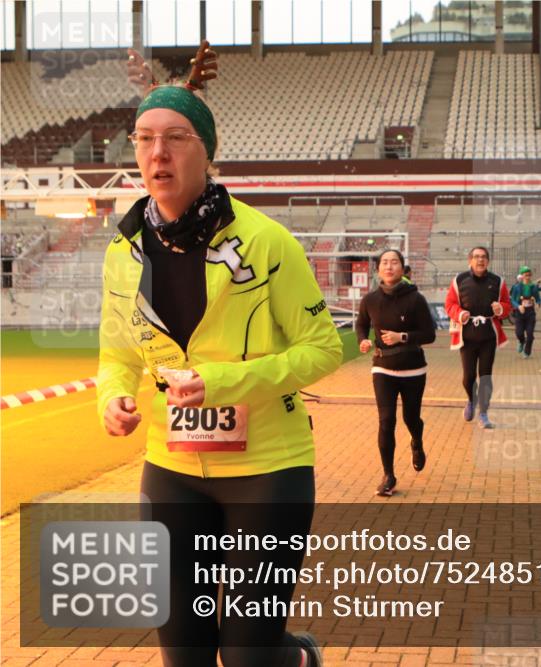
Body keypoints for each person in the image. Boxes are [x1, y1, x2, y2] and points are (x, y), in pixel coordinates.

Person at [99, 43, 338, 667]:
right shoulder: (121, 253)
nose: (158, 152)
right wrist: (113, 396)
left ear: (205, 149)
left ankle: (295, 657)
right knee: (183, 652)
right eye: (145, 138)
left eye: (176, 137)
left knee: (249, 658)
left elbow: (324, 346)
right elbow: (116, 353)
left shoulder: (267, 242)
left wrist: (225, 382)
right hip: (171, 468)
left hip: (269, 470)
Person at [355, 249, 436, 497]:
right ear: (378, 269)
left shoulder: (416, 299)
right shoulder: (370, 300)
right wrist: (363, 340)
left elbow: (429, 334)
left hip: (413, 367)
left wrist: (402, 337)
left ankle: (417, 443)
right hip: (382, 367)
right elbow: (361, 324)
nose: (389, 266)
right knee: (386, 421)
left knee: (411, 418)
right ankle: (388, 475)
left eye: (394, 262)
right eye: (384, 263)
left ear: (402, 268)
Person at [445, 247, 512, 429]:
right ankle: (471, 399)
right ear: (470, 260)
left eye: (483, 257)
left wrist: (501, 309)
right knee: (468, 377)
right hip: (466, 336)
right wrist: (459, 313)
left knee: (485, 376)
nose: (480, 260)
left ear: (488, 261)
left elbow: (507, 304)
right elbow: (449, 304)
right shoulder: (459, 280)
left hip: (488, 336)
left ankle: (483, 413)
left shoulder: (498, 281)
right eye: (476, 257)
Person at [509, 265, 540, 359]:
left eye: (529, 275)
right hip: (520, 313)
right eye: (526, 275)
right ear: (521, 275)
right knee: (519, 333)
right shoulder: (516, 287)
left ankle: (527, 351)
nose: (528, 277)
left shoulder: (533, 287)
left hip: (530, 313)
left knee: (530, 334)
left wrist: (538, 303)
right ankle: (521, 341)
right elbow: (512, 299)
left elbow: (538, 298)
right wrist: (518, 306)